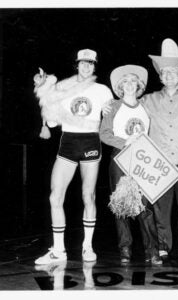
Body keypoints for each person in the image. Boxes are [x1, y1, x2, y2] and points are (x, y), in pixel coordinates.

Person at [34, 49, 113, 265]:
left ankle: (87, 246)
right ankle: (58, 250)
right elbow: (51, 122)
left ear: (95, 67)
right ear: (76, 65)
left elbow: (112, 119)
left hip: (90, 142)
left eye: (90, 63)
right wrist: (44, 91)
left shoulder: (103, 90)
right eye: (82, 63)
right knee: (55, 197)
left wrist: (110, 112)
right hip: (67, 143)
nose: (86, 67)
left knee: (88, 196)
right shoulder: (64, 88)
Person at [141, 38, 178, 262]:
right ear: (160, 76)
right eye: (164, 72)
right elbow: (127, 107)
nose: (168, 75)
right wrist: (111, 105)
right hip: (160, 161)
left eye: (173, 72)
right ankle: (164, 245)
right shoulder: (148, 99)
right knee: (161, 207)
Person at [100, 65, 162, 265]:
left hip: (143, 159)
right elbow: (104, 134)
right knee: (122, 204)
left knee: (146, 204)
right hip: (120, 157)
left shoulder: (146, 105)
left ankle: (152, 249)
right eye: (124, 81)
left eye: (133, 80)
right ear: (120, 86)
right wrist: (124, 142)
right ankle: (125, 248)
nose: (129, 84)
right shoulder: (113, 107)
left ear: (139, 85)